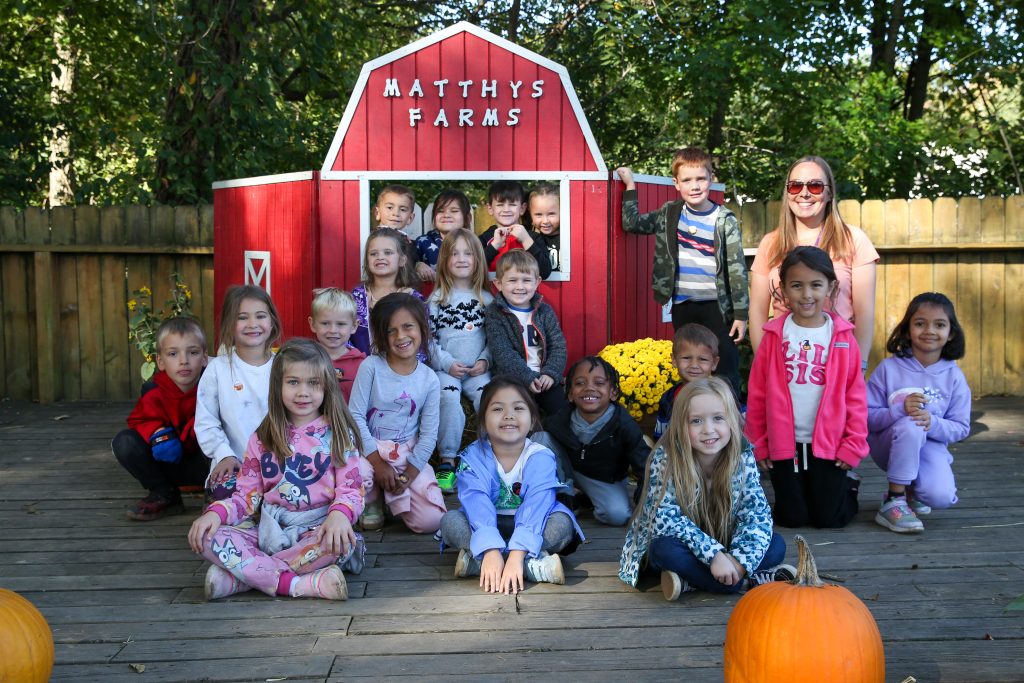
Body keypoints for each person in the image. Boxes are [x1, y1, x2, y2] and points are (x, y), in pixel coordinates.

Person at [188, 339, 364, 601]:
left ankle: (243, 578)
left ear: (327, 385)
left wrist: (339, 516)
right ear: (277, 385)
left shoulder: (338, 433)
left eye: (313, 383)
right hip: (267, 530)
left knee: (339, 543)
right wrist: (216, 513)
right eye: (293, 382)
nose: (303, 392)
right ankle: (301, 585)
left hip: (318, 528)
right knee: (207, 537)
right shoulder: (262, 438)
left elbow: (352, 490)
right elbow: (246, 499)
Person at [620, 378, 792, 600]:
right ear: (681, 424)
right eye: (696, 421)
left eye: (718, 418)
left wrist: (739, 564)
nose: (708, 430)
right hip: (684, 544)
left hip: (726, 541)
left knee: (775, 543)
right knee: (664, 550)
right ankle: (742, 582)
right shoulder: (667, 459)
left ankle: (694, 581)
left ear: (732, 420)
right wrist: (714, 556)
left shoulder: (742, 456)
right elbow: (665, 519)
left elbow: (755, 514)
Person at [745, 246, 868, 529]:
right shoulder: (775, 335)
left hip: (829, 445)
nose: (807, 294)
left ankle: (848, 488)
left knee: (828, 520)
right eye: (797, 286)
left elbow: (856, 397)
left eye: (816, 285)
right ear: (784, 290)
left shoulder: (842, 338)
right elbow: (758, 394)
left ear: (831, 287)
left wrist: (853, 445)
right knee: (793, 518)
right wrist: (759, 445)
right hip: (785, 444)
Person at [617, 148, 748, 400]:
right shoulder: (669, 213)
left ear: (710, 178)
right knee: (689, 368)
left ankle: (732, 423)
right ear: (676, 184)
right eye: (687, 180)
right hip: (683, 304)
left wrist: (741, 315)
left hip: (717, 307)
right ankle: (692, 419)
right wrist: (630, 186)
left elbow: (737, 269)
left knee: (724, 367)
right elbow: (632, 223)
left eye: (700, 178)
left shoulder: (723, 220)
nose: (695, 185)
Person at [439, 377, 584, 593]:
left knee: (563, 523)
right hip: (488, 524)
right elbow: (475, 501)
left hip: (534, 524)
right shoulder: (472, 456)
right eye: (497, 409)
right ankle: (529, 566)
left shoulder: (541, 456)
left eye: (518, 408)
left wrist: (517, 552)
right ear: (483, 420)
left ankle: (486, 563)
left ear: (533, 418)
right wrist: (490, 548)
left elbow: (538, 503)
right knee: (450, 520)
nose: (509, 415)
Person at [749, 155, 879, 368]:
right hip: (784, 359)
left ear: (829, 193)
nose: (804, 193)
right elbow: (757, 311)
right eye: (795, 186)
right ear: (787, 192)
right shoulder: (770, 244)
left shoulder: (854, 240)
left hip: (836, 359)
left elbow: (865, 312)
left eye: (815, 186)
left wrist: (860, 364)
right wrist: (764, 363)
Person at [867, 292, 970, 533]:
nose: (929, 330)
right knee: (911, 424)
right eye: (920, 323)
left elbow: (961, 427)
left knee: (941, 496)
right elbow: (867, 417)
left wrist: (932, 422)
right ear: (907, 330)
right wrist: (899, 410)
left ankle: (913, 492)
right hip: (888, 445)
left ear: (951, 333)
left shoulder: (954, 376)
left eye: (940, 324)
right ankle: (894, 500)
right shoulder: (888, 368)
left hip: (930, 446)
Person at [348, 293, 446, 534]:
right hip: (369, 451)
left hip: (406, 454)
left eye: (408, 327)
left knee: (431, 522)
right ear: (382, 335)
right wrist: (377, 464)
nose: (401, 336)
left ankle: (395, 495)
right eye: (391, 331)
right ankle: (372, 499)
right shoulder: (371, 366)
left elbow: (429, 434)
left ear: (422, 329)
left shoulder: (429, 379)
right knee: (356, 472)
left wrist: (411, 473)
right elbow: (355, 416)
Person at [113, 317, 209, 520]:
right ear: (161, 362)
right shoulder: (154, 391)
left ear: (205, 358)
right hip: (168, 461)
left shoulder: (214, 387)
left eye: (193, 352)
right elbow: (140, 420)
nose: (184, 360)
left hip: (207, 464)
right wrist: (158, 434)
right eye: (173, 354)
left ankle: (218, 493)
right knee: (124, 442)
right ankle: (164, 493)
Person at [537, 356, 650, 526]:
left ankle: (585, 498)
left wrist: (646, 505)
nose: (589, 388)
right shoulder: (560, 419)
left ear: (613, 392)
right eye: (580, 383)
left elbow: (644, 467)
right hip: (569, 472)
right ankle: (566, 495)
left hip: (604, 479)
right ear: (569, 394)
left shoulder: (624, 425)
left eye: (599, 383)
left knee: (618, 515)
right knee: (540, 439)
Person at [195, 285, 281, 501]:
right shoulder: (218, 369)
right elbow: (206, 422)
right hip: (235, 463)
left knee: (301, 493)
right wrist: (223, 454)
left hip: (283, 461)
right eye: (242, 317)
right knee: (226, 492)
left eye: (260, 316)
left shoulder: (285, 366)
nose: (253, 324)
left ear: (272, 321)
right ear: (229, 324)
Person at [427, 228, 493, 493]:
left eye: (468, 253)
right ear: (444, 260)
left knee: (488, 399)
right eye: (454, 253)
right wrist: (445, 364)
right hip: (448, 370)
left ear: (478, 259)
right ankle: (447, 460)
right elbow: (428, 340)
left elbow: (493, 339)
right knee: (448, 397)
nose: (462, 258)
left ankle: (494, 457)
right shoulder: (437, 300)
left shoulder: (486, 300)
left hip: (477, 371)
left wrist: (485, 362)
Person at [484, 249, 568, 416]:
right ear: (499, 283)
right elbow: (503, 353)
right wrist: (527, 377)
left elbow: (558, 346)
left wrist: (551, 374)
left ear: (537, 282)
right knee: (518, 415)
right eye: (512, 280)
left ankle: (555, 441)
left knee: (563, 412)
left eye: (527, 280)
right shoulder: (495, 313)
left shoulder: (544, 311)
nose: (520, 287)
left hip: (544, 379)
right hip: (512, 380)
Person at [350, 228, 426, 356]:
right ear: (367, 261)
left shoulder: (412, 298)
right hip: (361, 369)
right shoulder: (357, 297)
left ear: (402, 260)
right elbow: (343, 336)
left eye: (388, 252)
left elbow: (424, 340)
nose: (380, 257)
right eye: (373, 254)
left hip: (402, 371)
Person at [654, 323, 721, 441]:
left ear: (714, 363)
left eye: (703, 359)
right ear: (674, 360)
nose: (694, 365)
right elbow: (661, 439)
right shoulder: (668, 398)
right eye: (686, 358)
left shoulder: (722, 396)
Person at [478, 180, 552, 279]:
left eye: (512, 205)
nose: (506, 209)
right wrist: (495, 245)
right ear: (490, 209)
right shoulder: (483, 239)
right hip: (491, 293)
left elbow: (545, 272)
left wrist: (526, 240)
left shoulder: (533, 237)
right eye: (500, 205)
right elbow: (474, 270)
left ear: (522, 208)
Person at [308, 287, 365, 404]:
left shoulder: (362, 365)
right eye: (325, 323)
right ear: (312, 324)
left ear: (354, 326)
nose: (333, 330)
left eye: (341, 324)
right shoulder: (305, 359)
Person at [415, 189, 472, 281]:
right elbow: (406, 263)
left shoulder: (472, 243)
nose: (446, 215)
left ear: (467, 217)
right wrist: (417, 265)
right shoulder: (422, 242)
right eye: (441, 211)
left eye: (454, 211)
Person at [373, 184, 420, 286]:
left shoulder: (410, 243)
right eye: (390, 207)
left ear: (410, 218)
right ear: (378, 213)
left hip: (405, 290)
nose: (396, 213)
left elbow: (412, 263)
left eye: (402, 209)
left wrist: (419, 265)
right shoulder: (374, 239)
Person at [528, 183, 561, 272]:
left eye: (551, 214)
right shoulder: (528, 239)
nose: (545, 221)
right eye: (538, 215)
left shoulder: (569, 238)